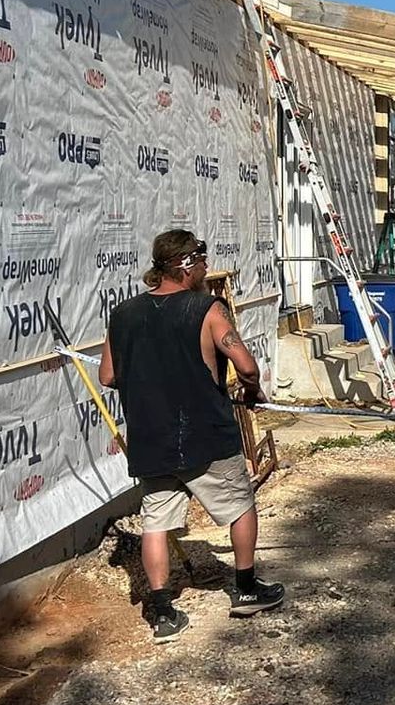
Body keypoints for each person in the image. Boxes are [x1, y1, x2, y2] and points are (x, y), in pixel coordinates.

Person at [101, 228, 285, 640]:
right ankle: (245, 588)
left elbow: (108, 375)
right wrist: (252, 392)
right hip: (206, 436)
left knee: (156, 523)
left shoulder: (123, 314)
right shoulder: (207, 309)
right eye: (201, 262)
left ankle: (163, 612)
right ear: (186, 265)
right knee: (240, 507)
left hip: (152, 440)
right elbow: (247, 365)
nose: (205, 269)